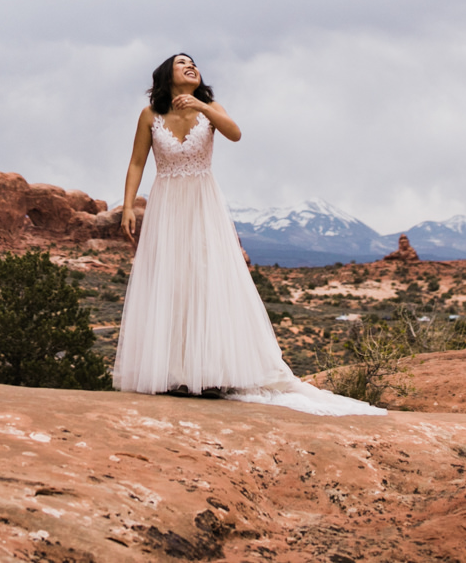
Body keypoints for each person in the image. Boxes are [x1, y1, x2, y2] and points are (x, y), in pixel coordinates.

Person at [112, 53, 383, 415]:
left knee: (207, 279)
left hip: (202, 204)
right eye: (182, 63)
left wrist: (203, 108)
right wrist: (128, 206)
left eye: (194, 63)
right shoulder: (150, 115)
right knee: (171, 280)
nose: (191, 66)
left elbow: (235, 134)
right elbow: (137, 162)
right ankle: (174, 373)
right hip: (166, 205)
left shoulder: (211, 107)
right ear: (166, 74)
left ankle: (210, 373)